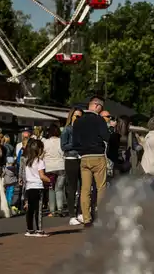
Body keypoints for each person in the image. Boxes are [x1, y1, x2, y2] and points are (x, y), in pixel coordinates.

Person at [72, 96, 110, 226]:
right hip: (98, 155)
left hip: (84, 157)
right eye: (101, 107)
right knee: (101, 188)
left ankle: (86, 218)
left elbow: (74, 142)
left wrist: (81, 150)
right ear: (97, 106)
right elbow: (106, 136)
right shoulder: (99, 120)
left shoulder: (78, 121)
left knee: (85, 189)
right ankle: (101, 217)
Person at [23, 139, 51, 237]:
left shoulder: (27, 162)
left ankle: (29, 229)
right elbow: (42, 176)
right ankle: (39, 230)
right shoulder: (40, 161)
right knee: (38, 210)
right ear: (39, 150)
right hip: (38, 187)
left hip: (29, 187)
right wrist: (50, 180)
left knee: (30, 209)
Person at [61, 107, 84, 225]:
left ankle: (80, 212)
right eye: (77, 116)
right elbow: (63, 146)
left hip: (82, 158)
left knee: (83, 187)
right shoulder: (67, 130)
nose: (78, 119)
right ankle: (72, 215)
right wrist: (75, 143)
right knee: (72, 187)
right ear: (72, 117)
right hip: (71, 159)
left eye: (81, 117)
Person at [43, 124, 66, 216]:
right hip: (60, 165)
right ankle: (60, 208)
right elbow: (63, 152)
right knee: (59, 188)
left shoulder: (45, 142)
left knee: (51, 188)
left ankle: (52, 210)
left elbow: (42, 153)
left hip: (49, 167)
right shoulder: (61, 141)